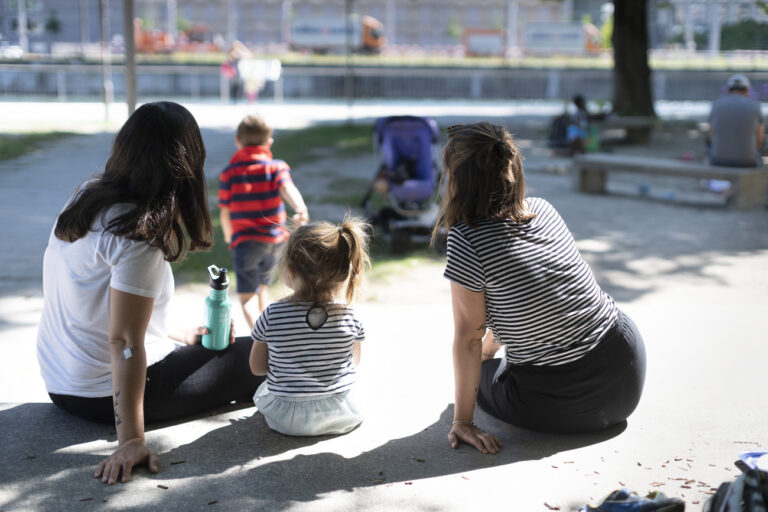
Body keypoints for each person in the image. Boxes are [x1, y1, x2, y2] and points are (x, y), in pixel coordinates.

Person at [36, 102, 265, 484]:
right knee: (261, 352)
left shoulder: (85, 198)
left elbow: (103, 308)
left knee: (224, 348)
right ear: (187, 164)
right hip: (101, 394)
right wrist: (131, 440)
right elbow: (124, 339)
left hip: (61, 383)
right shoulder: (137, 234)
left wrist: (182, 335)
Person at [433, 123, 646, 454]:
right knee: (491, 361)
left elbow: (468, 338)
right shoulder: (543, 210)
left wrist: (463, 420)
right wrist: (491, 347)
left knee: (485, 375)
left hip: (562, 405)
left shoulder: (467, 239)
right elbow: (537, 293)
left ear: (458, 180)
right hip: (626, 373)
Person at [248, 216, 370, 436]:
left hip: (286, 420)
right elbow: (354, 363)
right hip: (341, 415)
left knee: (266, 388)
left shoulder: (272, 314)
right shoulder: (351, 316)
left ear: (290, 271)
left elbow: (257, 368)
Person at [219, 113, 309, 329]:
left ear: (237, 140)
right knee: (263, 287)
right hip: (273, 240)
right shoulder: (276, 167)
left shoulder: (229, 174)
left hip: (245, 241)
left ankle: (261, 338)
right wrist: (300, 208)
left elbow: (224, 210)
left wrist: (229, 235)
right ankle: (269, 330)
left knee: (246, 297)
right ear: (268, 143)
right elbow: (287, 188)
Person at [708, 74, 765, 168]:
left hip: (718, 161)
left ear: (727, 90)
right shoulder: (755, 106)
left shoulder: (716, 105)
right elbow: (759, 140)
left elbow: (711, 137)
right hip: (748, 162)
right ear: (747, 90)